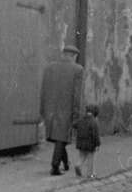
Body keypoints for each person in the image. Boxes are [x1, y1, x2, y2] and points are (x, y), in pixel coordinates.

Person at [40, 44, 83, 176]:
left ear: (63, 54)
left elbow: (43, 90)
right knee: (61, 138)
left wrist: (42, 109)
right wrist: (76, 115)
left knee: (59, 138)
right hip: (66, 110)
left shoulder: (49, 67)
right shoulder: (78, 69)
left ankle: (65, 163)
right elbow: (77, 95)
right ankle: (55, 166)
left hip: (50, 109)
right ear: (74, 56)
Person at [74, 104, 101, 179]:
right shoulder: (94, 121)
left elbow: (74, 125)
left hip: (80, 142)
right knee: (90, 159)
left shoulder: (81, 119)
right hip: (90, 144)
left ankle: (78, 165)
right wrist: (98, 144)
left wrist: (81, 129)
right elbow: (96, 135)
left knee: (82, 157)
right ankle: (90, 175)